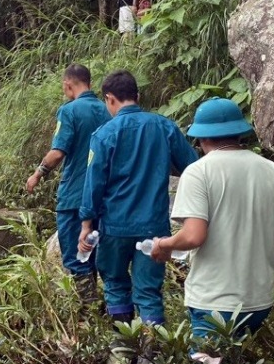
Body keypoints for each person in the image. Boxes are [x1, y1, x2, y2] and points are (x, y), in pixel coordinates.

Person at [147, 97, 274, 339]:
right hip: (259, 300)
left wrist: (163, 245)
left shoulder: (199, 172)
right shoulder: (273, 170)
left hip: (215, 301)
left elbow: (194, 235)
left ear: (202, 138)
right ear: (239, 133)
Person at [78, 70, 199, 326]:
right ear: (138, 95)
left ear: (110, 98)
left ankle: (125, 351)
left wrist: (86, 225)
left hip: (114, 227)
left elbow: (93, 183)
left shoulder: (103, 135)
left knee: (115, 284)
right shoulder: (164, 127)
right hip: (153, 228)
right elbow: (194, 169)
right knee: (148, 291)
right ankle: (152, 357)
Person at [25, 64, 112, 305]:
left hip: (76, 195)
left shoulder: (69, 111)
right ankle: (108, 309)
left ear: (67, 84)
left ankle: (89, 308)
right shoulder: (106, 110)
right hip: (104, 194)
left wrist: (37, 173)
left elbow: (57, 152)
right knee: (95, 250)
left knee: (76, 254)